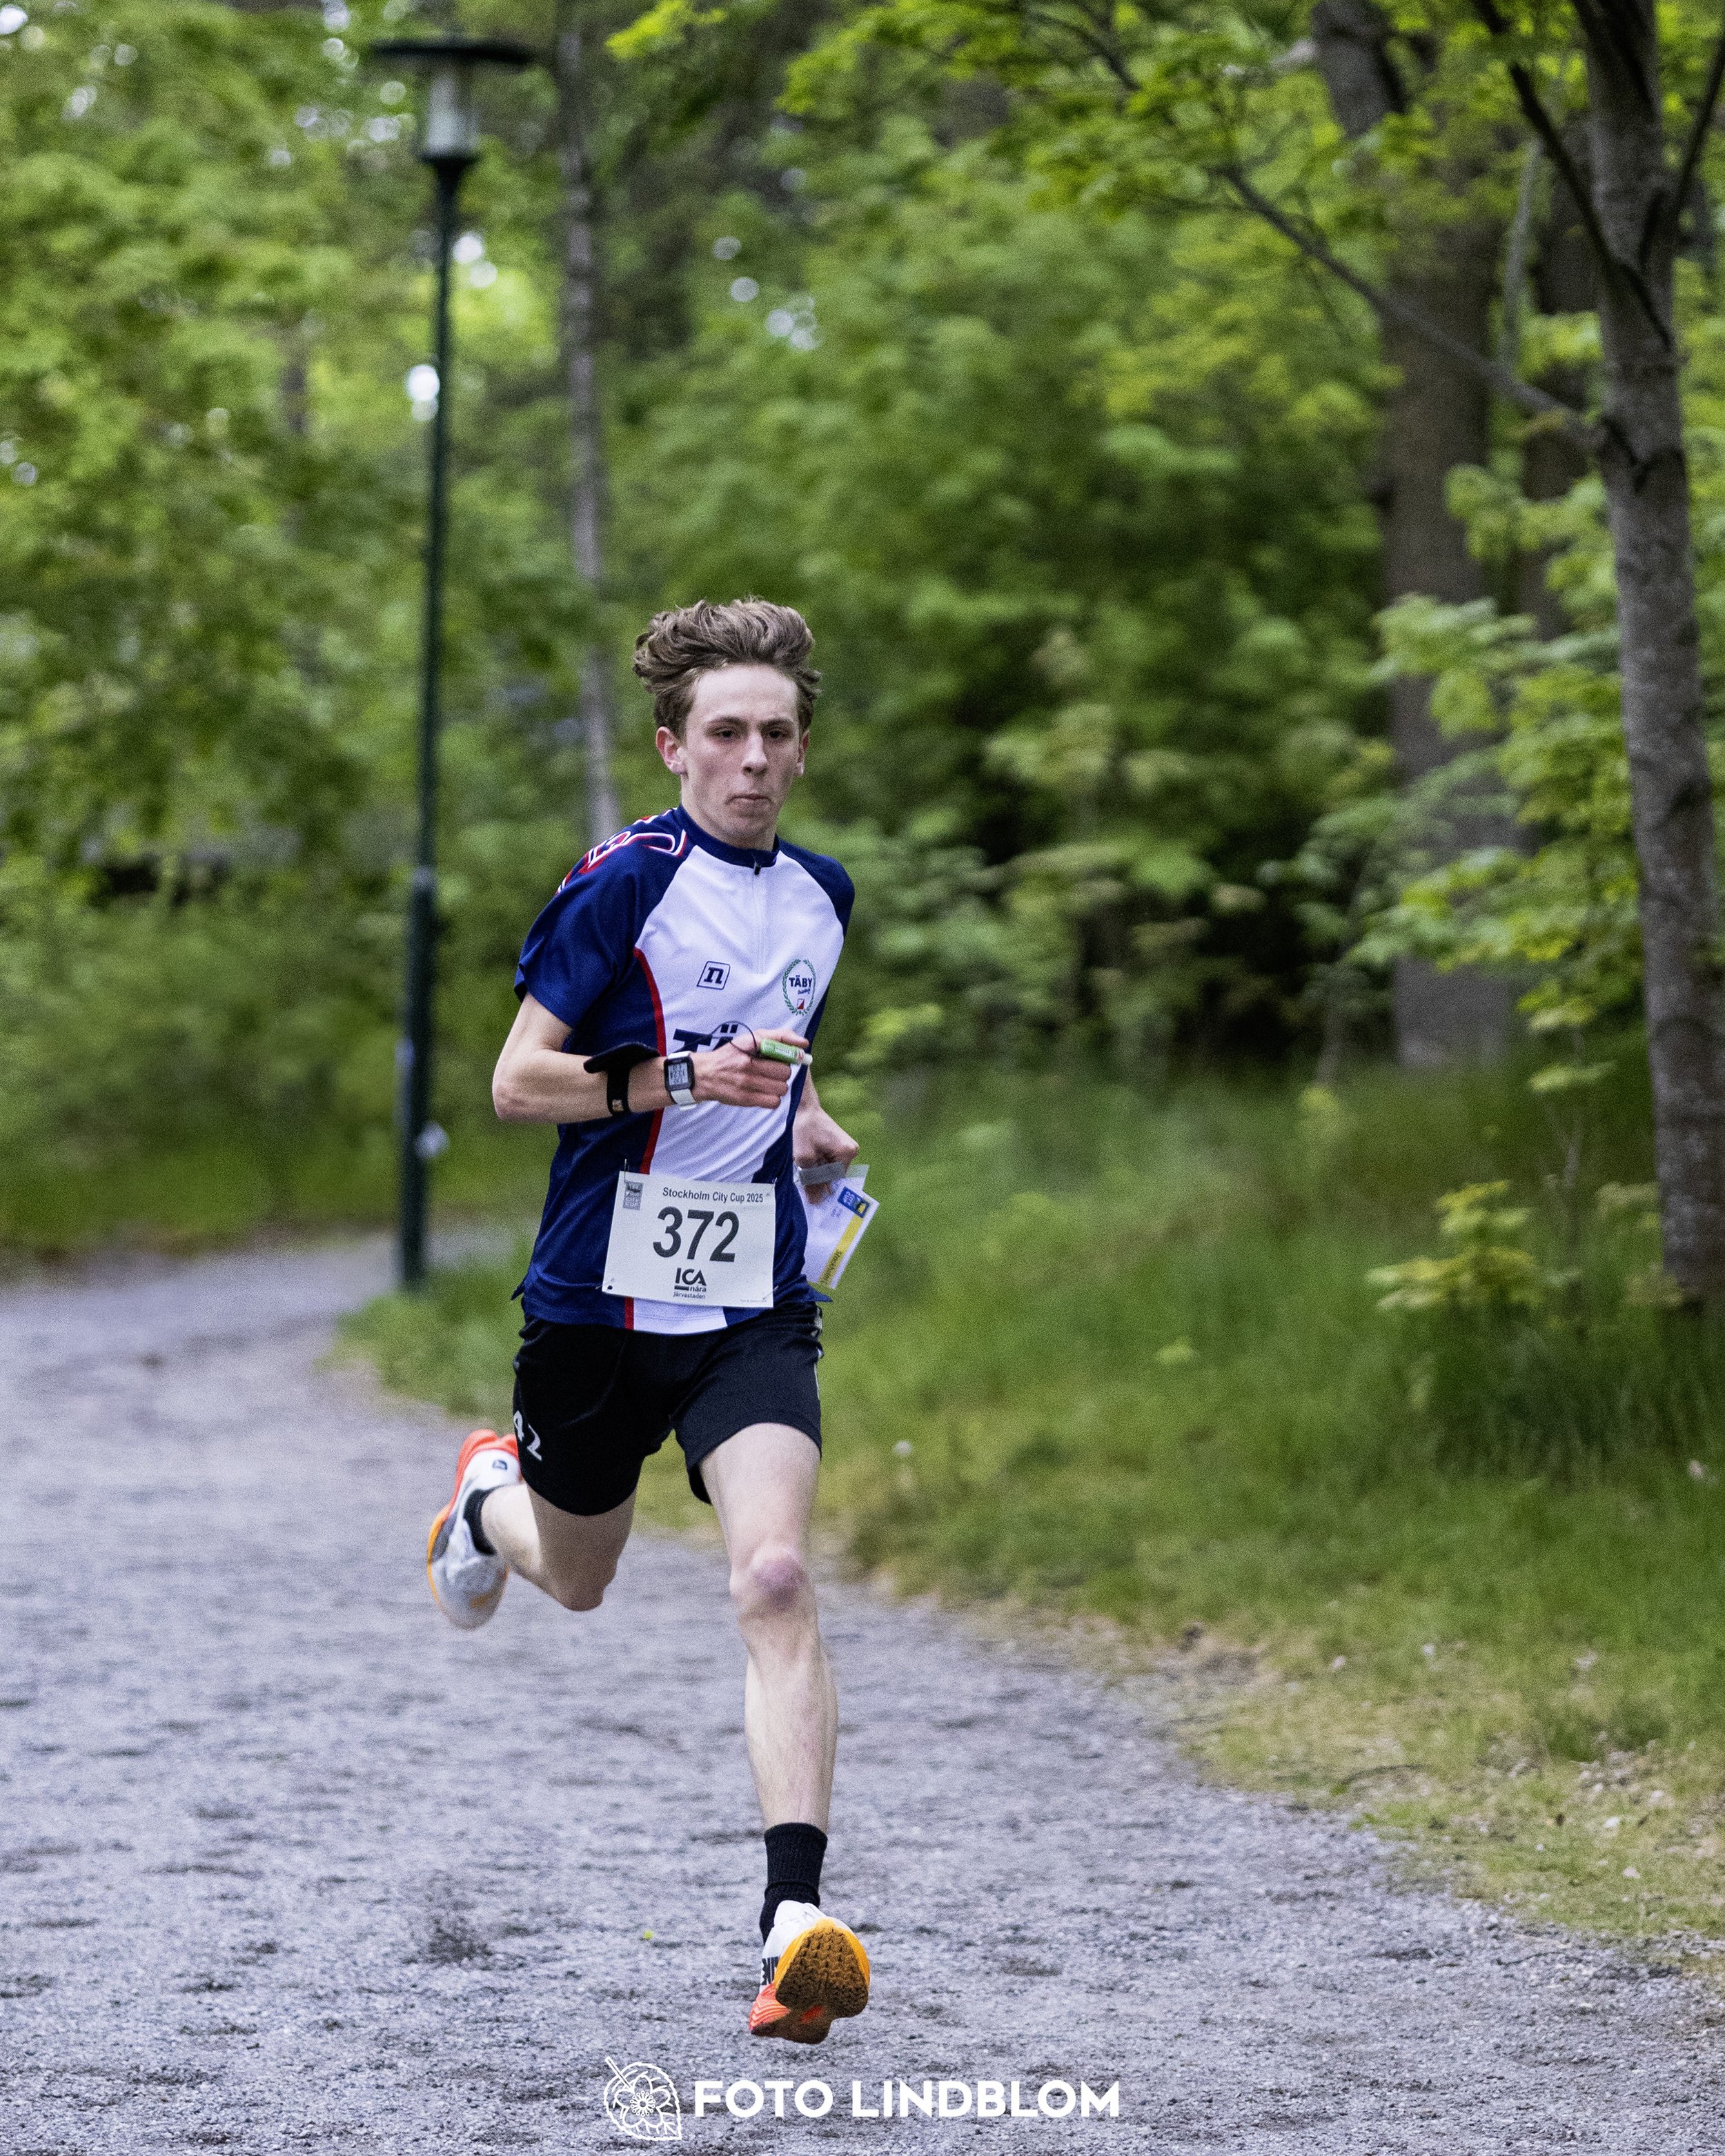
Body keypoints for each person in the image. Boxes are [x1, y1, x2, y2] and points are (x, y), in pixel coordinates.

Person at [424, 599, 870, 2046]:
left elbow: (776, 1054)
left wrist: (804, 1120)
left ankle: (793, 1923)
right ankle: (484, 1498)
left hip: (750, 1294)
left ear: (801, 754)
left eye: (776, 735)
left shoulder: (824, 895)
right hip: (595, 1302)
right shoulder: (623, 882)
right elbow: (513, 1085)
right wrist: (678, 1089)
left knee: (777, 1580)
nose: (751, 758)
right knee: (575, 1574)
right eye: (725, 734)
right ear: (677, 746)